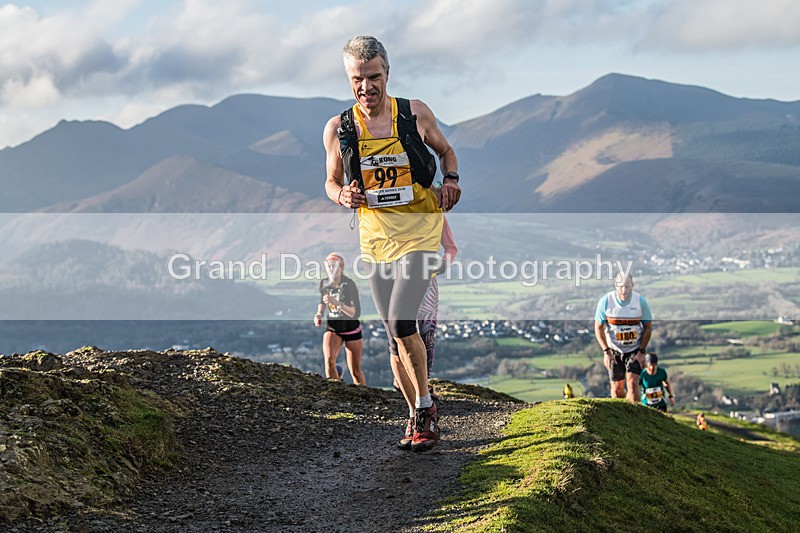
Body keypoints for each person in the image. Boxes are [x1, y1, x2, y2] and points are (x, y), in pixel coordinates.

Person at [323, 36, 461, 452]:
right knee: (392, 336)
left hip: (420, 234)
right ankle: (417, 414)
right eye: (357, 79)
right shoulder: (340, 128)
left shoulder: (415, 113)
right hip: (376, 243)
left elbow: (446, 152)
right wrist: (342, 195)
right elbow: (330, 182)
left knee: (403, 322)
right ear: (349, 79)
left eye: (374, 77)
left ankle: (424, 408)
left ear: (387, 74)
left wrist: (451, 181)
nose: (366, 87)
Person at [594, 273, 653, 403]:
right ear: (615, 286)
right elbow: (598, 327)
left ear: (632, 286)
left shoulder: (640, 302)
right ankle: (622, 417)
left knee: (632, 385)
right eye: (620, 287)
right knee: (617, 390)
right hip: (614, 351)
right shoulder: (606, 301)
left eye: (627, 286)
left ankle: (637, 418)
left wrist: (642, 351)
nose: (624, 290)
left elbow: (648, 327)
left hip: (634, 350)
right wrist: (606, 352)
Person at [417, 215, 457, 397]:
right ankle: (402, 378)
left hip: (427, 283)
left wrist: (443, 264)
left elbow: (450, 247)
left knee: (427, 336)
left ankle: (423, 384)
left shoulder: (436, 214)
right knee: (400, 332)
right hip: (396, 279)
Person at [314, 253, 366, 385]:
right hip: (333, 327)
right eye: (328, 266)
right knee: (329, 361)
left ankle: (365, 397)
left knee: (355, 370)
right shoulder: (324, 284)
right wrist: (319, 313)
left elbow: (355, 313)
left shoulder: (349, 285)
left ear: (341, 268)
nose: (331, 269)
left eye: (334, 266)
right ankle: (335, 392)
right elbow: (323, 301)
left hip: (351, 329)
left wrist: (337, 304)